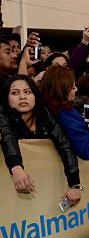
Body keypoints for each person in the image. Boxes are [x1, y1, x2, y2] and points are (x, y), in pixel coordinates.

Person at [0, 74, 81, 204]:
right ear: (7, 99)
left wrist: (74, 185)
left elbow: (64, 144)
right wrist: (16, 167)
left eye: (27, 92)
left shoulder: (44, 113)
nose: (22, 97)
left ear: (35, 96)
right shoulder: (2, 113)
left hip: (46, 190)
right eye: (15, 93)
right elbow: (7, 136)